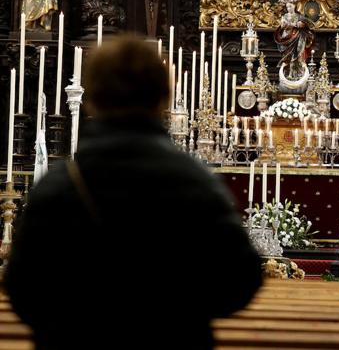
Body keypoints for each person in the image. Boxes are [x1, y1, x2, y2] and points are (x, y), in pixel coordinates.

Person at [5, 35, 262, 350]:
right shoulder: (195, 182)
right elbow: (240, 282)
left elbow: (23, 289)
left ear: (92, 98)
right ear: (164, 99)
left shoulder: (60, 185)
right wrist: (177, 310)